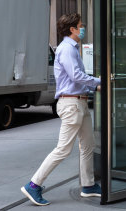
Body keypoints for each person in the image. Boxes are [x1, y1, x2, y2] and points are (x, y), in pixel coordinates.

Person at [21, 13, 101, 206]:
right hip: (71, 104)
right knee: (63, 149)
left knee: (88, 145)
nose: (83, 29)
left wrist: (91, 85)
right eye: (81, 26)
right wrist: (98, 82)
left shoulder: (72, 48)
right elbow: (76, 75)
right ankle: (34, 184)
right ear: (72, 29)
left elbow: (77, 77)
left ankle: (88, 186)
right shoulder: (66, 49)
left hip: (79, 103)